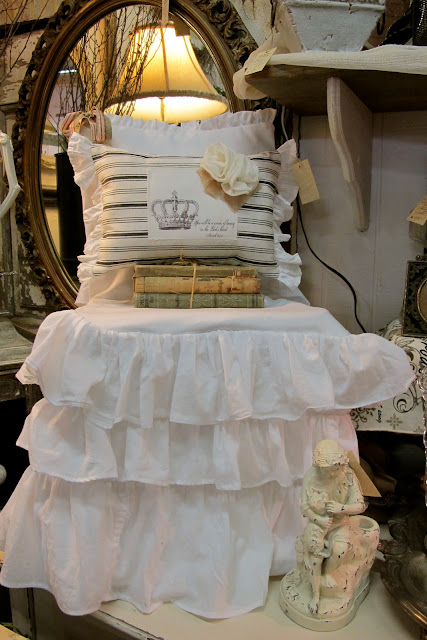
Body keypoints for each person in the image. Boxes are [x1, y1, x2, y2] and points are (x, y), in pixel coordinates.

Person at [299, 440, 366, 614]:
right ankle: (315, 594)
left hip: (339, 523)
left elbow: (360, 506)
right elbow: (304, 507)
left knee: (340, 550)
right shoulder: (311, 476)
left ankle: (327, 574)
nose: (332, 474)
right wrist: (319, 520)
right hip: (318, 524)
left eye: (336, 469)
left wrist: (341, 508)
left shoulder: (348, 476)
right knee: (315, 558)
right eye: (328, 470)